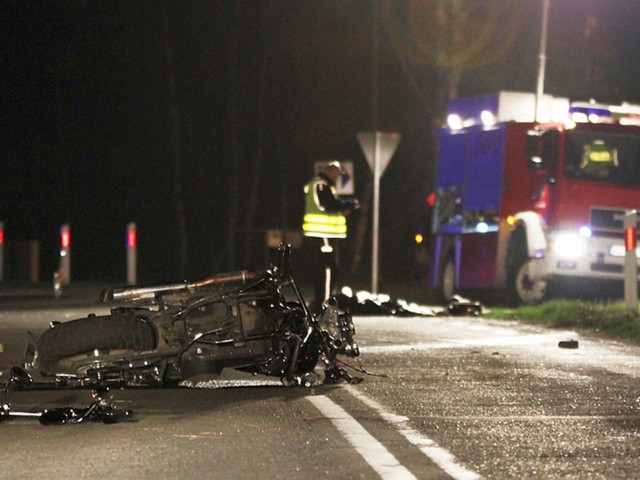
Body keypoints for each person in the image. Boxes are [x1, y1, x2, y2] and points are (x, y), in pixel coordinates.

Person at [303, 161, 358, 313]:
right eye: (336, 174)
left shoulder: (326, 186)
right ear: (329, 171)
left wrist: (343, 208)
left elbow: (330, 205)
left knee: (329, 269)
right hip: (321, 234)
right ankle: (323, 305)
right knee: (327, 269)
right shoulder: (320, 185)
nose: (338, 178)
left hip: (325, 235)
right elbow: (328, 205)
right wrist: (347, 205)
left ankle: (321, 303)